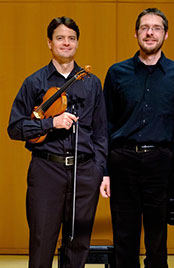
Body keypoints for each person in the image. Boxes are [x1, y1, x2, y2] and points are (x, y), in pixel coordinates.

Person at [7, 16, 107, 268]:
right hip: (46, 170)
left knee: (78, 243)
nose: (66, 43)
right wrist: (50, 124)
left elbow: (101, 132)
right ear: (49, 43)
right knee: (42, 241)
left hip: (84, 171)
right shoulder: (34, 82)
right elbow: (15, 128)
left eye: (71, 39)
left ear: (77, 43)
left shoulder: (92, 83)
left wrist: (98, 171)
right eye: (60, 38)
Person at [100, 8, 174, 268]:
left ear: (166, 34)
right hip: (123, 160)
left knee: (157, 236)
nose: (150, 33)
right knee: (124, 233)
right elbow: (105, 125)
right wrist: (105, 171)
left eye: (156, 28)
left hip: (161, 161)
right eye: (144, 27)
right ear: (136, 33)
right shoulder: (117, 73)